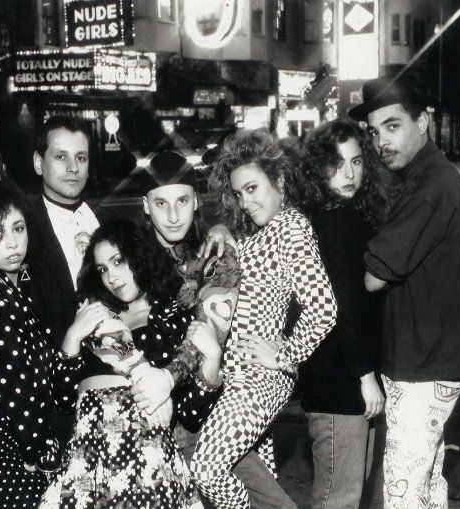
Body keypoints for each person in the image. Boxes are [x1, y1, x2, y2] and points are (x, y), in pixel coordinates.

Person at [131, 150, 299, 509]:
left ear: (196, 201)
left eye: (182, 201)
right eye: (161, 203)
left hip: (204, 420)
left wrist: (168, 377)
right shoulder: (128, 260)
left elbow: (208, 333)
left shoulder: (218, 257)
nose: (173, 215)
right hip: (146, 421)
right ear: (146, 206)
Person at [348, 75, 460, 509]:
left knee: (403, 491)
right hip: (433, 358)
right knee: (425, 487)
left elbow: (374, 277)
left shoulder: (428, 186)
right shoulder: (427, 176)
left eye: (393, 126)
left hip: (423, 363)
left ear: (422, 122)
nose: (381, 142)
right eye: (374, 132)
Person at [191, 131, 338, 509]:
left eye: (253, 188)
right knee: (261, 483)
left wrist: (285, 355)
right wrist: (221, 228)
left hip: (259, 379)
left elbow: (323, 308)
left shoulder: (291, 226)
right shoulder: (261, 230)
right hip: (238, 376)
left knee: (206, 468)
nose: (246, 201)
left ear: (281, 181)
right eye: (239, 193)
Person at [40, 219, 223, 508]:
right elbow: (63, 400)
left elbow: (190, 415)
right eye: (103, 269)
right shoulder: (93, 312)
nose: (112, 277)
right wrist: (72, 339)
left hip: (143, 447)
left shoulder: (173, 315)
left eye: (118, 261)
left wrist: (212, 358)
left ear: (140, 255)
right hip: (88, 449)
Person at [0, 178, 105, 509]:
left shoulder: (10, 287)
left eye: (18, 228)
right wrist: (42, 454)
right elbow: (18, 392)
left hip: (12, 439)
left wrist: (71, 340)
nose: (12, 243)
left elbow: (41, 382)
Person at [296, 119, 390, 509]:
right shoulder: (332, 221)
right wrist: (365, 375)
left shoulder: (344, 214)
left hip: (342, 376)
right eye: (336, 164)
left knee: (347, 492)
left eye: (356, 161)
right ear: (319, 168)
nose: (349, 174)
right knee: (339, 498)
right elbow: (339, 305)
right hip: (339, 380)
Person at [23, 115, 99, 350]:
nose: (73, 168)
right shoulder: (23, 232)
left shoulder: (108, 220)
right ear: (38, 163)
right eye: (61, 156)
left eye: (81, 158)